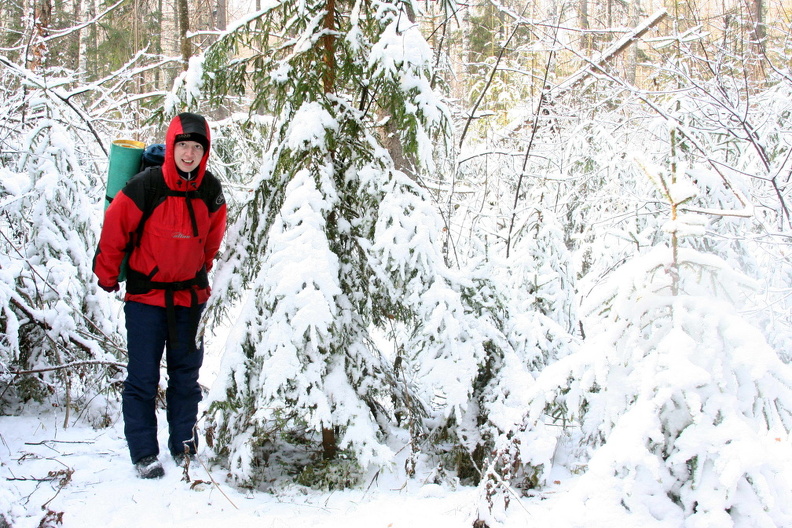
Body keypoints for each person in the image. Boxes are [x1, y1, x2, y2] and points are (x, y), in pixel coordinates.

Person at [94, 112, 227, 479]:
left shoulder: (210, 190)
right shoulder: (145, 185)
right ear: (171, 147)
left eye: (196, 147)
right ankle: (144, 453)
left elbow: (212, 240)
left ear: (205, 152)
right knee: (142, 378)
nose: (189, 153)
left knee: (186, 378)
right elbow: (115, 230)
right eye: (182, 145)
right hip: (145, 300)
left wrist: (198, 271)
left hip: (190, 300)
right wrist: (107, 273)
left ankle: (183, 444)